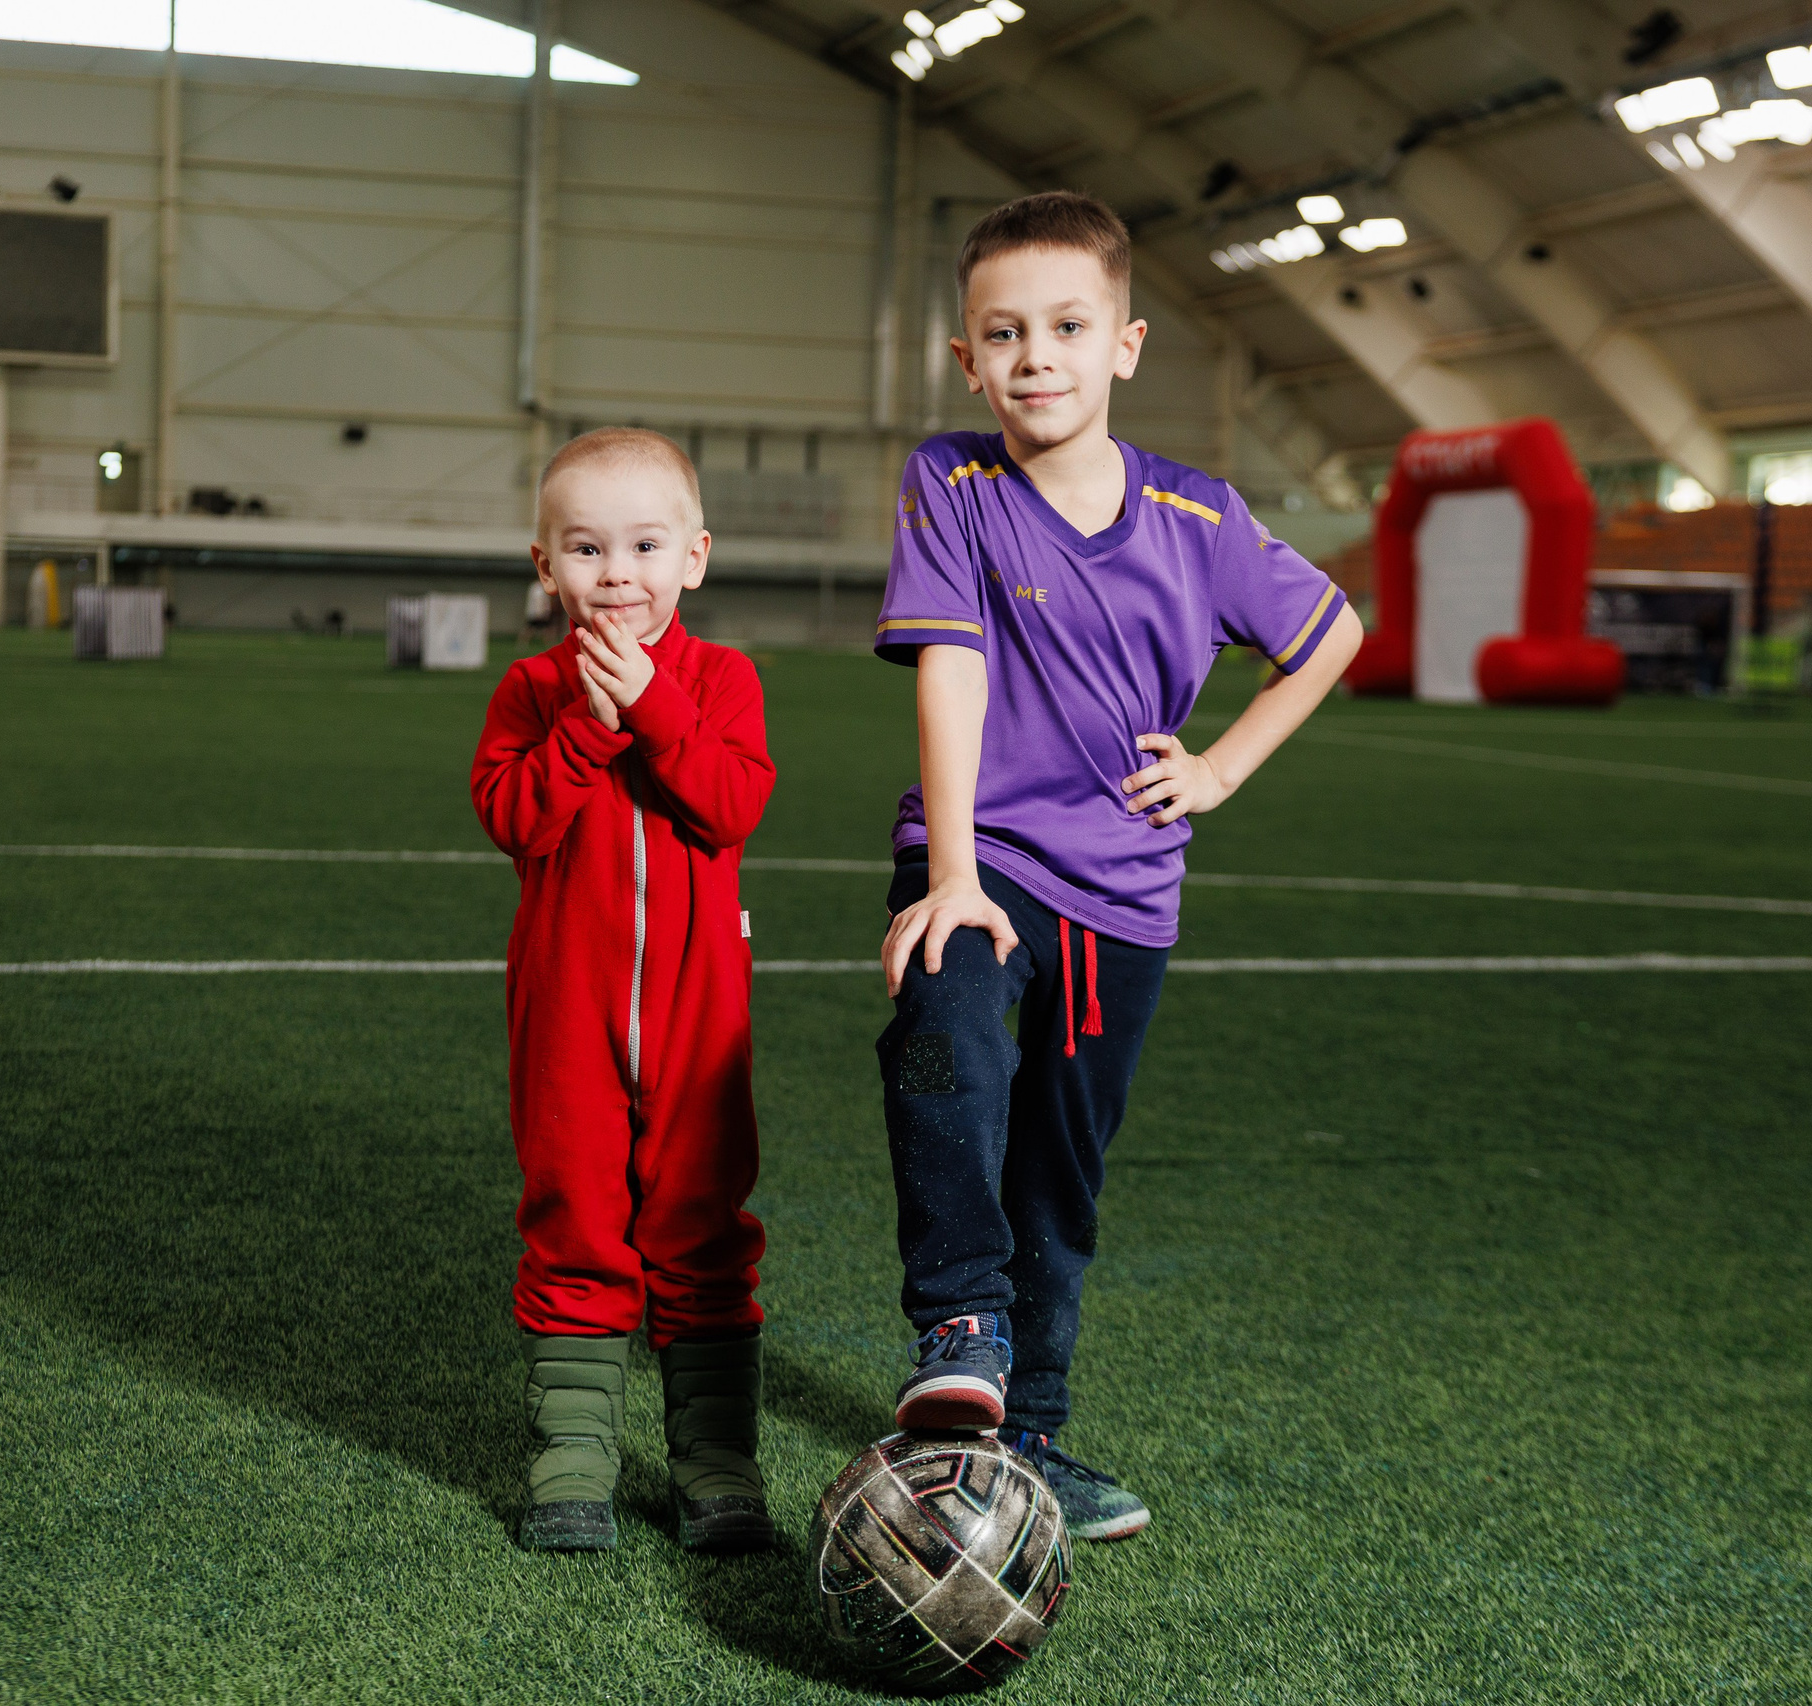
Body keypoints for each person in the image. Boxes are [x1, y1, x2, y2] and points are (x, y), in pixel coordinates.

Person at [871, 192, 1363, 1542]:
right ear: (967, 360)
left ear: (1126, 344)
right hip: (978, 857)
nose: (1038, 355)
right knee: (940, 1030)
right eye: (1006, 332)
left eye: (1068, 326)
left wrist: (1218, 768)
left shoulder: (1198, 516)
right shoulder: (951, 482)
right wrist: (953, 873)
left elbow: (1331, 631)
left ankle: (1028, 1438)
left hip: (1124, 895)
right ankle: (957, 1323)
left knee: (1060, 1170)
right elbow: (953, 667)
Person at [470, 427, 778, 1555]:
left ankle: (715, 1461)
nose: (617, 573)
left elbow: (730, 805)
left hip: (702, 1022)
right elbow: (513, 816)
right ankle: (573, 1458)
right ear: (544, 564)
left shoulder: (722, 679)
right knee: (576, 1218)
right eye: (588, 548)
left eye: (644, 545)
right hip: (566, 1018)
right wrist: (586, 730)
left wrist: (651, 705)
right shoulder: (531, 689)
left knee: (701, 1222)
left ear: (693, 557)